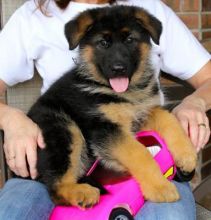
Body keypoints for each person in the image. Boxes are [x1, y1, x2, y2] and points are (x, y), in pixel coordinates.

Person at [0, 0, 210, 219]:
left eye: (129, 40)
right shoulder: (32, 17)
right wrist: (10, 118)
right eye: (103, 43)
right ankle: (65, 187)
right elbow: (111, 137)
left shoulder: (147, 7)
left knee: (170, 215)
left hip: (154, 166)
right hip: (51, 166)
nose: (118, 61)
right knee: (11, 212)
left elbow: (154, 113)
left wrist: (194, 103)